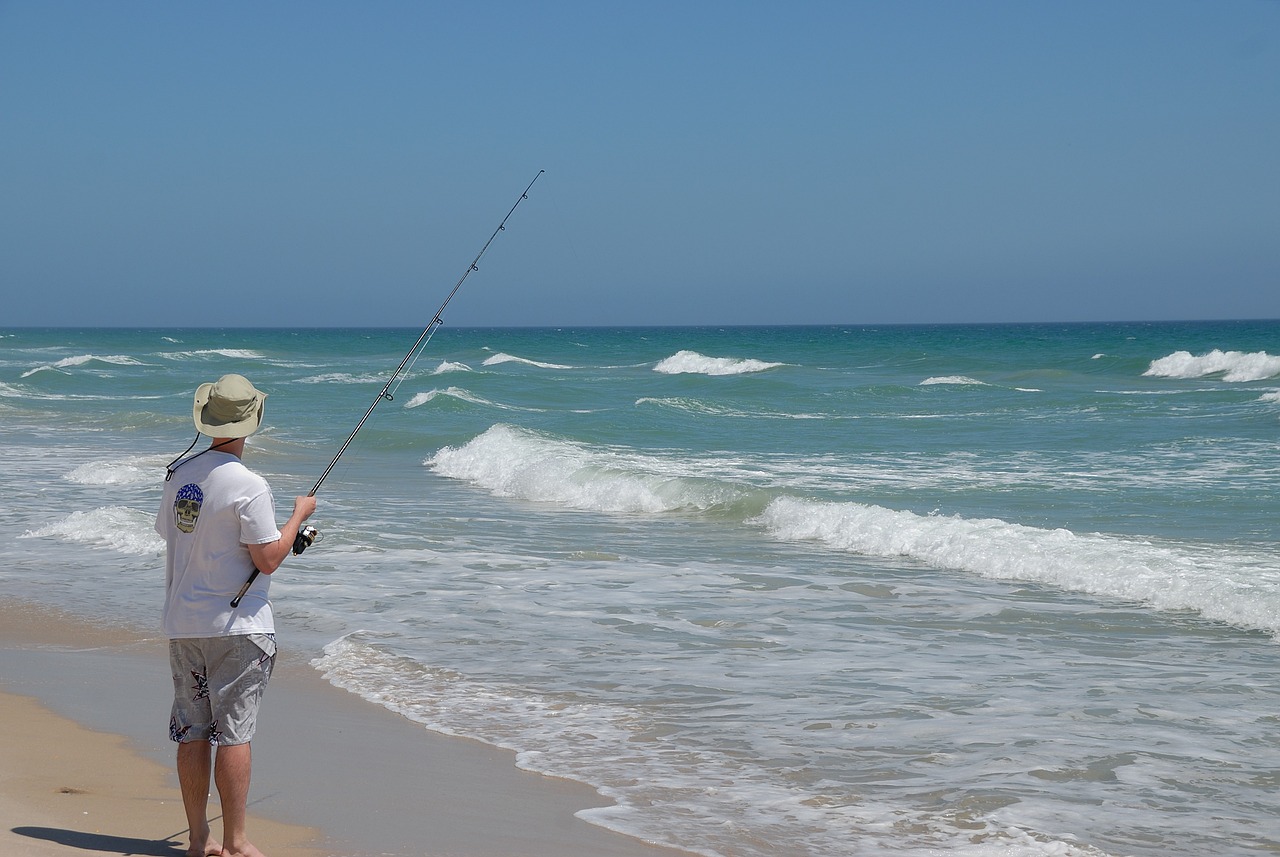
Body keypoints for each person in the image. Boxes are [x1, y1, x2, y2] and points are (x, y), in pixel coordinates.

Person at [156, 373, 316, 857]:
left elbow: (173, 535)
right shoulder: (250, 485)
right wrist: (298, 517)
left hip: (184, 626)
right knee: (234, 734)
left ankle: (198, 838)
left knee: (192, 731)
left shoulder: (178, 475)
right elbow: (268, 558)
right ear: (252, 422)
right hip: (238, 629)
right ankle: (236, 842)